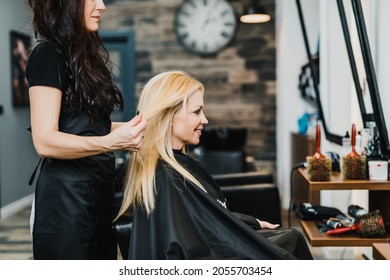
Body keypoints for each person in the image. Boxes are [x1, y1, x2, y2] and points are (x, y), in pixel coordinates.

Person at [117, 70, 313, 260]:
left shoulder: (175, 167)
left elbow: (206, 219)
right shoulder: (166, 177)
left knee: (290, 238)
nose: (205, 120)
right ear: (168, 116)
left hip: (213, 249)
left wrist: (250, 223)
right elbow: (187, 249)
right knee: (289, 244)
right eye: (197, 112)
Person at [26, 0, 147, 260]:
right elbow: (45, 141)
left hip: (100, 196)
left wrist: (138, 129)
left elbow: (92, 128)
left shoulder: (85, 58)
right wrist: (112, 142)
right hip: (65, 205)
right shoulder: (47, 54)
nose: (102, 6)